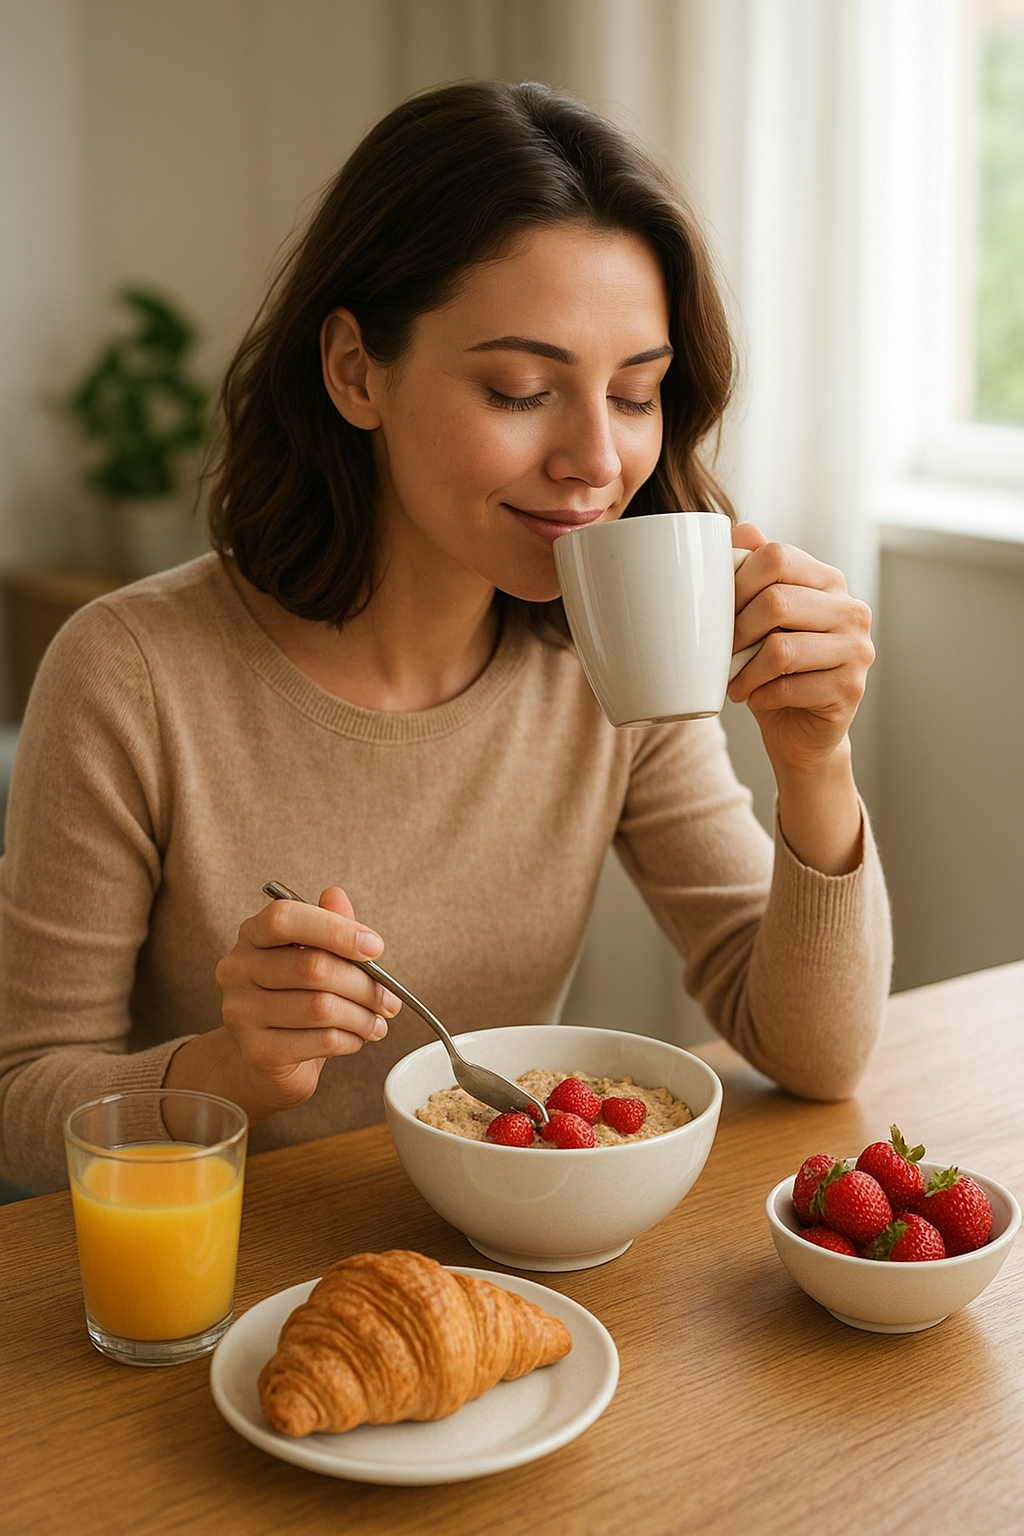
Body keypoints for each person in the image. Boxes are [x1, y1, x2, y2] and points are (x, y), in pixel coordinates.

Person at [0, 80, 890, 1192]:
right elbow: (21, 1101)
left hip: (503, 1261)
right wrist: (226, 1071)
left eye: (635, 394)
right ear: (355, 371)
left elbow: (819, 1056)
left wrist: (815, 766)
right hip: (232, 1264)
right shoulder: (130, 673)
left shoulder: (608, 661)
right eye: (520, 390)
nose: (597, 462)